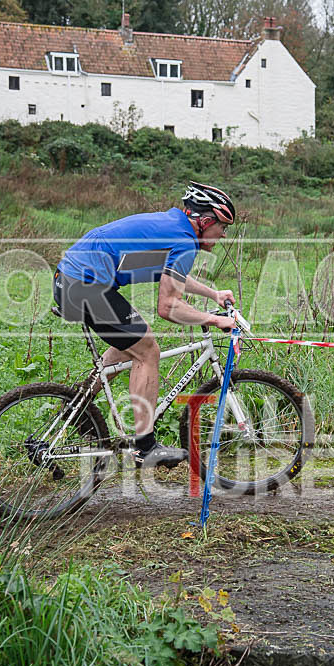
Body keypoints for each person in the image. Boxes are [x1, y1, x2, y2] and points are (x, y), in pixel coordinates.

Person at [53, 181, 236, 468]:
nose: (223, 234)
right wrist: (214, 319)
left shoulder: (173, 228)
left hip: (71, 280)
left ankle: (76, 406)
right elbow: (168, 307)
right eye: (222, 226)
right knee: (147, 349)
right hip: (85, 285)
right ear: (204, 220)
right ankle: (146, 447)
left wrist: (213, 294)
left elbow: (172, 276)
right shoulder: (184, 240)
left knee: (128, 346)